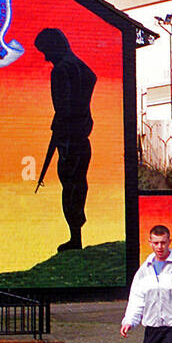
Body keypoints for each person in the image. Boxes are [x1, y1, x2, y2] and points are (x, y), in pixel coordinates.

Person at [34, 28, 96, 252]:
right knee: (78, 185)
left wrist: (62, 126)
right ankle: (76, 236)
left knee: (70, 187)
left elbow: (63, 108)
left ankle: (75, 238)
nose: (45, 57)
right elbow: (91, 79)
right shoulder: (79, 66)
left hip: (69, 138)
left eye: (46, 51)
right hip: (81, 135)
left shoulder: (61, 70)